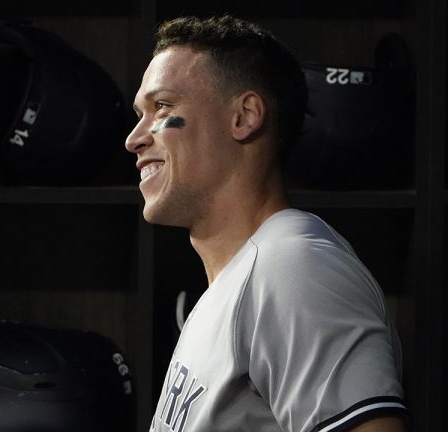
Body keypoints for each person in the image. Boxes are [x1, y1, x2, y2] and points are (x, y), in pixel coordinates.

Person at [125, 15, 410, 432]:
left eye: (162, 107)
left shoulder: (293, 266)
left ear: (244, 116)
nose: (134, 138)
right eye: (139, 113)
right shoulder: (235, 283)